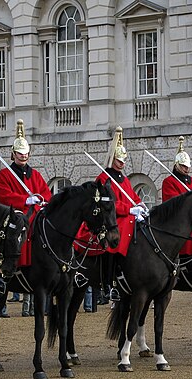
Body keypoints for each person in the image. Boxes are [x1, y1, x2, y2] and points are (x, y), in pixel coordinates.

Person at [76, 126, 145, 302]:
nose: (122, 163)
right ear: (113, 158)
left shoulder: (124, 178)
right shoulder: (104, 178)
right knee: (116, 240)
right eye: (119, 160)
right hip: (113, 218)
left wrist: (140, 204)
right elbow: (109, 204)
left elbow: (133, 196)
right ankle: (110, 282)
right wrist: (128, 209)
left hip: (129, 216)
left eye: (123, 160)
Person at [0, 119, 52, 299]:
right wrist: (25, 199)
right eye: (20, 153)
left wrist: (41, 200)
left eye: (26, 153)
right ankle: (3, 273)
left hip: (34, 214)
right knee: (15, 232)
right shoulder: (5, 174)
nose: (23, 156)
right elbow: (4, 195)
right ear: (13, 154)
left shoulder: (35, 174)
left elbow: (46, 193)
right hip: (14, 215)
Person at [161, 136, 192, 257]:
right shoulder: (169, 181)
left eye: (188, 166)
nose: (186, 168)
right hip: (180, 220)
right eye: (184, 166)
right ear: (177, 165)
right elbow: (172, 202)